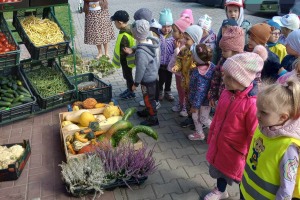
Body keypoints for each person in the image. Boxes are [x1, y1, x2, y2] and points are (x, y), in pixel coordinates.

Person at [205, 45, 267, 200]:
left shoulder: (252, 104)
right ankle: (221, 191)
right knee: (220, 168)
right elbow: (218, 116)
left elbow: (253, 133)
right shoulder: (226, 93)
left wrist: (251, 156)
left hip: (239, 152)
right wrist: (212, 132)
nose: (224, 80)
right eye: (225, 75)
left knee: (241, 177)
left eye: (229, 78)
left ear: (243, 79)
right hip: (222, 144)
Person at [240, 79, 300, 200]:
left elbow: (287, 187)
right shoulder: (263, 127)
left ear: (283, 117)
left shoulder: (288, 146)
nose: (257, 114)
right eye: (258, 109)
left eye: (263, 112)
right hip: (245, 191)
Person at [172, 25, 203, 128]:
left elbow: (201, 66)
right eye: (184, 38)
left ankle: (198, 121)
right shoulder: (184, 50)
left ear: (195, 40)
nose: (184, 41)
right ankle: (191, 118)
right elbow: (179, 60)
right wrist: (177, 67)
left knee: (196, 104)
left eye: (187, 39)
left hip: (195, 85)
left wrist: (194, 67)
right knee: (189, 101)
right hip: (186, 83)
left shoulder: (199, 52)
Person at [131, 8, 161, 110]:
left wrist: (136, 83)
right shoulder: (149, 42)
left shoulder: (141, 52)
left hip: (146, 79)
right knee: (149, 97)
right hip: (152, 76)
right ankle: (148, 111)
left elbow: (140, 69)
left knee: (148, 99)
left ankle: (153, 118)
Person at [208, 26, 245, 108]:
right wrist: (212, 96)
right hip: (222, 98)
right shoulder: (223, 60)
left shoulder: (245, 64)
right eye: (221, 50)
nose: (222, 53)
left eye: (225, 51)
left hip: (237, 104)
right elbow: (215, 77)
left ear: (236, 50)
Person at [188, 44, 216, 141]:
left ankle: (217, 132)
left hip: (201, 101)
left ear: (197, 59)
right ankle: (200, 133)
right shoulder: (210, 66)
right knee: (197, 117)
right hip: (205, 100)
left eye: (192, 55)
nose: (191, 56)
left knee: (202, 118)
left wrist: (194, 106)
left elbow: (200, 91)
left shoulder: (200, 74)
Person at [168, 15, 192, 117]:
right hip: (178, 73)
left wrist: (177, 48)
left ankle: (185, 107)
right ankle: (181, 103)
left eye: (174, 31)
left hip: (184, 73)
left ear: (182, 33)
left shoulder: (185, 45)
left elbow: (180, 57)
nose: (172, 33)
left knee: (184, 89)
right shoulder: (177, 42)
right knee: (179, 88)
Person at [213, 0, 251, 64]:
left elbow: (247, 48)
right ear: (226, 12)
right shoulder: (224, 26)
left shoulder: (246, 27)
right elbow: (217, 45)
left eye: (235, 11)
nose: (233, 14)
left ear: (240, 12)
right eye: (230, 11)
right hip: (223, 61)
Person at [110, 10, 136, 100]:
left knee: (128, 76)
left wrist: (120, 59)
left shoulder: (125, 34)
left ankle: (131, 92)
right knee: (127, 75)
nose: (114, 24)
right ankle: (129, 89)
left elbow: (124, 50)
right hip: (127, 60)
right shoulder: (125, 30)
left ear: (120, 22)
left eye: (115, 22)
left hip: (126, 60)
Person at [158, 9, 175, 101]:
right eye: (164, 26)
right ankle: (160, 90)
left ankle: (167, 91)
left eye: (168, 26)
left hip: (170, 62)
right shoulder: (158, 34)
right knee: (161, 78)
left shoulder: (173, 36)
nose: (166, 29)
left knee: (169, 78)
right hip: (160, 63)